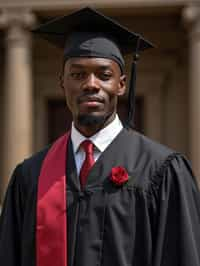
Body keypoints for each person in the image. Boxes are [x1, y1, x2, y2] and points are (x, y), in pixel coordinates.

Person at [0, 7, 200, 266]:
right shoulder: (31, 176)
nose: (91, 84)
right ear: (63, 82)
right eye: (78, 74)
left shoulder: (161, 170)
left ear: (121, 84)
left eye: (104, 75)